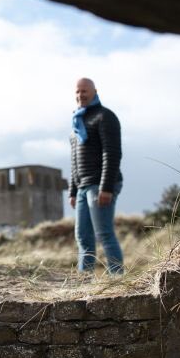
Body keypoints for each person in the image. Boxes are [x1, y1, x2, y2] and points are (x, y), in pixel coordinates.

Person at [68, 78, 124, 274]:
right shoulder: (77, 123)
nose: (80, 95)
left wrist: (106, 187)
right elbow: (74, 161)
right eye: (77, 91)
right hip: (83, 187)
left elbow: (112, 153)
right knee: (83, 237)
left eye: (84, 91)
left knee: (104, 234)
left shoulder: (105, 116)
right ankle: (85, 283)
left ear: (94, 91)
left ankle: (118, 280)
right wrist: (72, 191)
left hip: (100, 186)